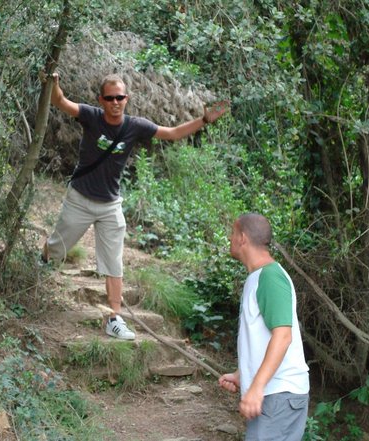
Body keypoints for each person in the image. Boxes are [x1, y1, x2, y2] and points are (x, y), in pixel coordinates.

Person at [43, 72, 229, 340]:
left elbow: (173, 134)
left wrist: (203, 120)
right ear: (101, 100)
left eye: (120, 97)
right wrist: (54, 82)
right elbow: (60, 101)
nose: (115, 102)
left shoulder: (135, 126)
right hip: (80, 199)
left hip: (110, 205)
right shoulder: (91, 116)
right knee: (56, 249)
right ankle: (42, 262)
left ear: (126, 99)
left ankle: (114, 318)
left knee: (113, 262)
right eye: (110, 98)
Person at [218, 213, 310, 440]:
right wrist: (243, 375)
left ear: (242, 238)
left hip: (278, 395)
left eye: (232, 233)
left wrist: (257, 387)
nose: (229, 238)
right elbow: (263, 338)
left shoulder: (270, 277)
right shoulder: (258, 277)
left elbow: (283, 337)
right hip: (274, 394)